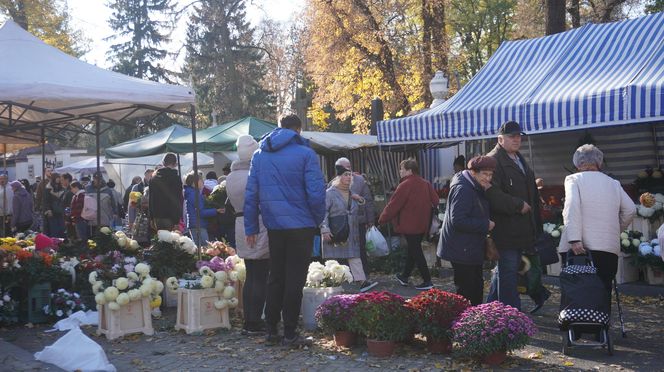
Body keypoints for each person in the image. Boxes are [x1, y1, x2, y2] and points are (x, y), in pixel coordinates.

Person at [244, 114, 326, 346]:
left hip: (274, 225)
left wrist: (251, 226)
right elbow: (316, 193)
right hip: (301, 225)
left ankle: (271, 328)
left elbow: (252, 195)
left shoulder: (259, 155)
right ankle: (290, 332)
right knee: (295, 278)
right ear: (298, 130)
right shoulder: (306, 154)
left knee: (276, 276)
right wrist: (317, 219)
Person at [485, 121, 550, 312]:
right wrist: (517, 204)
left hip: (523, 229)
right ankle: (510, 317)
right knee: (508, 275)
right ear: (500, 139)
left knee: (505, 272)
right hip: (507, 230)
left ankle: (488, 312)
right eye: (512, 136)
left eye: (518, 136)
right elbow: (492, 194)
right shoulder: (493, 160)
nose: (516, 139)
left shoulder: (518, 158)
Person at [558, 144, 635, 302]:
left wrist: (574, 238)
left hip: (580, 247)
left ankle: (576, 324)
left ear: (577, 164)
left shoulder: (573, 179)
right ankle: (602, 325)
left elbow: (571, 206)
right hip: (608, 247)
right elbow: (630, 210)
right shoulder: (613, 183)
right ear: (599, 163)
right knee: (603, 290)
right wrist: (615, 230)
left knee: (576, 290)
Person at [226, 135, 270, 335]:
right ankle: (254, 321)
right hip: (256, 223)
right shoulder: (254, 174)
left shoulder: (231, 176)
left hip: (240, 222)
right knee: (260, 275)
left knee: (251, 273)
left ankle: (249, 319)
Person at [438, 156, 496, 305]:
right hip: (461, 248)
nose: (488, 179)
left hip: (469, 247)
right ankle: (465, 324)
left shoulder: (473, 185)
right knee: (467, 292)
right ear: (473, 172)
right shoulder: (463, 189)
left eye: (490, 175)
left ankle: (472, 322)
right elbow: (457, 220)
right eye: (485, 174)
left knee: (475, 288)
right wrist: (484, 224)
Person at [378, 159, 439, 290]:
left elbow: (394, 205)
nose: (400, 171)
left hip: (409, 224)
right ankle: (404, 276)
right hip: (423, 224)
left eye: (402, 169)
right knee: (413, 249)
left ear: (409, 170)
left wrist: (382, 219)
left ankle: (427, 280)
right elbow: (436, 200)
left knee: (416, 251)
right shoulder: (425, 183)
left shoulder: (405, 185)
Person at [321, 163, 377, 292]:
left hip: (351, 231)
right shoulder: (329, 193)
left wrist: (360, 200)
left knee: (354, 256)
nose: (349, 177)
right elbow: (323, 212)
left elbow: (359, 211)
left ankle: (362, 282)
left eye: (350, 175)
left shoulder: (353, 194)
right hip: (334, 230)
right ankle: (330, 284)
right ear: (338, 177)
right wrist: (325, 229)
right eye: (346, 175)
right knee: (332, 260)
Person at [333, 157, 375, 277]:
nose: (348, 170)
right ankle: (344, 275)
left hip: (358, 221)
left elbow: (368, 200)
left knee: (360, 248)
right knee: (342, 248)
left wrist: (370, 220)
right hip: (341, 223)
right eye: (344, 168)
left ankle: (364, 274)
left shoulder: (360, 180)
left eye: (349, 167)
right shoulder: (333, 184)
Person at [183, 171, 222, 247]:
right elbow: (201, 212)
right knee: (204, 248)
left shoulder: (191, 193)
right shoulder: (195, 195)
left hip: (194, 224)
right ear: (195, 182)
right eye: (201, 180)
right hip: (198, 225)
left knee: (199, 248)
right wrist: (216, 210)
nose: (203, 182)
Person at [149, 153, 183, 231]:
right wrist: (177, 221)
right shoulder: (176, 178)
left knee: (161, 241)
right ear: (175, 164)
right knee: (172, 241)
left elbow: (151, 199)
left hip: (157, 216)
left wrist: (151, 218)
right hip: (171, 217)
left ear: (163, 163)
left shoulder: (153, 178)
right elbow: (177, 199)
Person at [43, 172, 65, 238]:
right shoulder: (48, 188)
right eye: (57, 178)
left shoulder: (61, 187)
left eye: (59, 178)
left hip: (60, 211)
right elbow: (46, 200)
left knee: (61, 228)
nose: (58, 179)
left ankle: (61, 242)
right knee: (53, 229)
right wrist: (49, 210)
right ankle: (54, 243)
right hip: (52, 211)